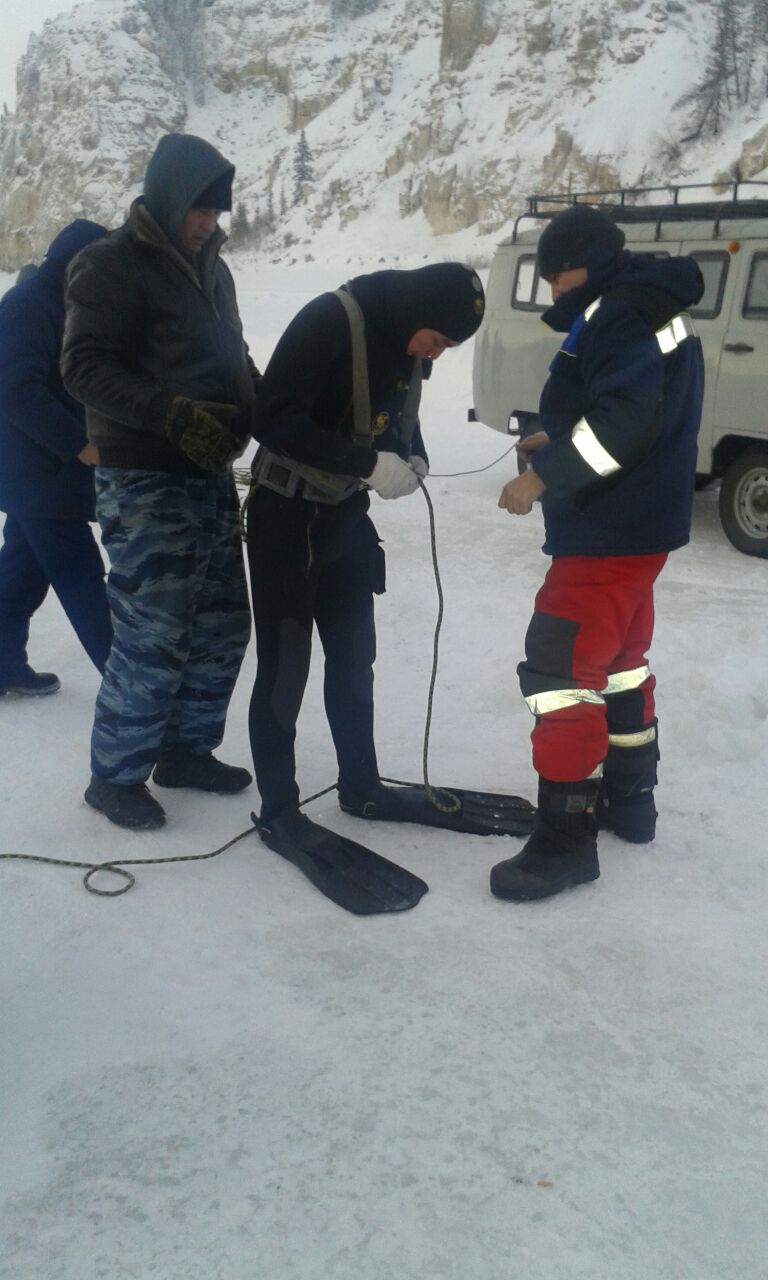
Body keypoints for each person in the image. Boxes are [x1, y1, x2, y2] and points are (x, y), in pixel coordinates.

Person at [246, 264, 511, 890]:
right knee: (286, 668)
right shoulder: (329, 321)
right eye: (437, 343)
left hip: (344, 520)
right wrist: (367, 462)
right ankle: (280, 809)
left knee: (354, 658)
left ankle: (360, 785)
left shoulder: (406, 339)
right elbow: (272, 420)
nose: (434, 356)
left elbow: (396, 416)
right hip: (287, 518)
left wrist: (412, 454)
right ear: (418, 312)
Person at [491, 204, 705, 902]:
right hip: (642, 525)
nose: (553, 289)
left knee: (560, 670)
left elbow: (622, 423)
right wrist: (553, 442)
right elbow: (642, 411)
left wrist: (541, 477)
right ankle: (629, 803)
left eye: (556, 275)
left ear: (583, 264)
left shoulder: (616, 313)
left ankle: (564, 843)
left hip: (607, 531)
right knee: (617, 667)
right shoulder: (649, 303)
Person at [61, 133, 257, 831]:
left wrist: (262, 404)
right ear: (169, 197)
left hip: (207, 472)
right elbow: (83, 366)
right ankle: (114, 777)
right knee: (154, 630)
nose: (209, 222)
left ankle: (185, 749)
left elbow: (231, 355)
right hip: (144, 478)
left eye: (217, 211)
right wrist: (170, 414)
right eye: (199, 209)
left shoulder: (214, 271)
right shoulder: (109, 264)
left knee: (223, 621)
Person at [0, 220, 113, 697]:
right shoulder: (28, 306)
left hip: (42, 476)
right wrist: (78, 443)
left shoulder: (63, 303)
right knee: (81, 576)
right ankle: (136, 693)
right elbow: (17, 391)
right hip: (38, 475)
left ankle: (3, 664)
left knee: (22, 571)